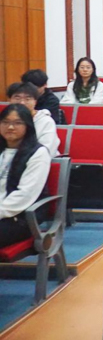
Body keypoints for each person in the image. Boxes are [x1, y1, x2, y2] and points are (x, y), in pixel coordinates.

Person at [0, 104, 53, 249]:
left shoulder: (38, 153)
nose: (10, 127)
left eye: (17, 123)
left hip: (19, 217)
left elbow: (25, 194)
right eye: (5, 122)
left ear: (28, 126)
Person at [7, 83, 59, 157]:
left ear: (35, 101)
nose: (22, 103)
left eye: (27, 99)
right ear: (9, 100)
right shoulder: (5, 121)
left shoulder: (45, 121)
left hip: (37, 160)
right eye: (17, 98)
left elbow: (47, 149)